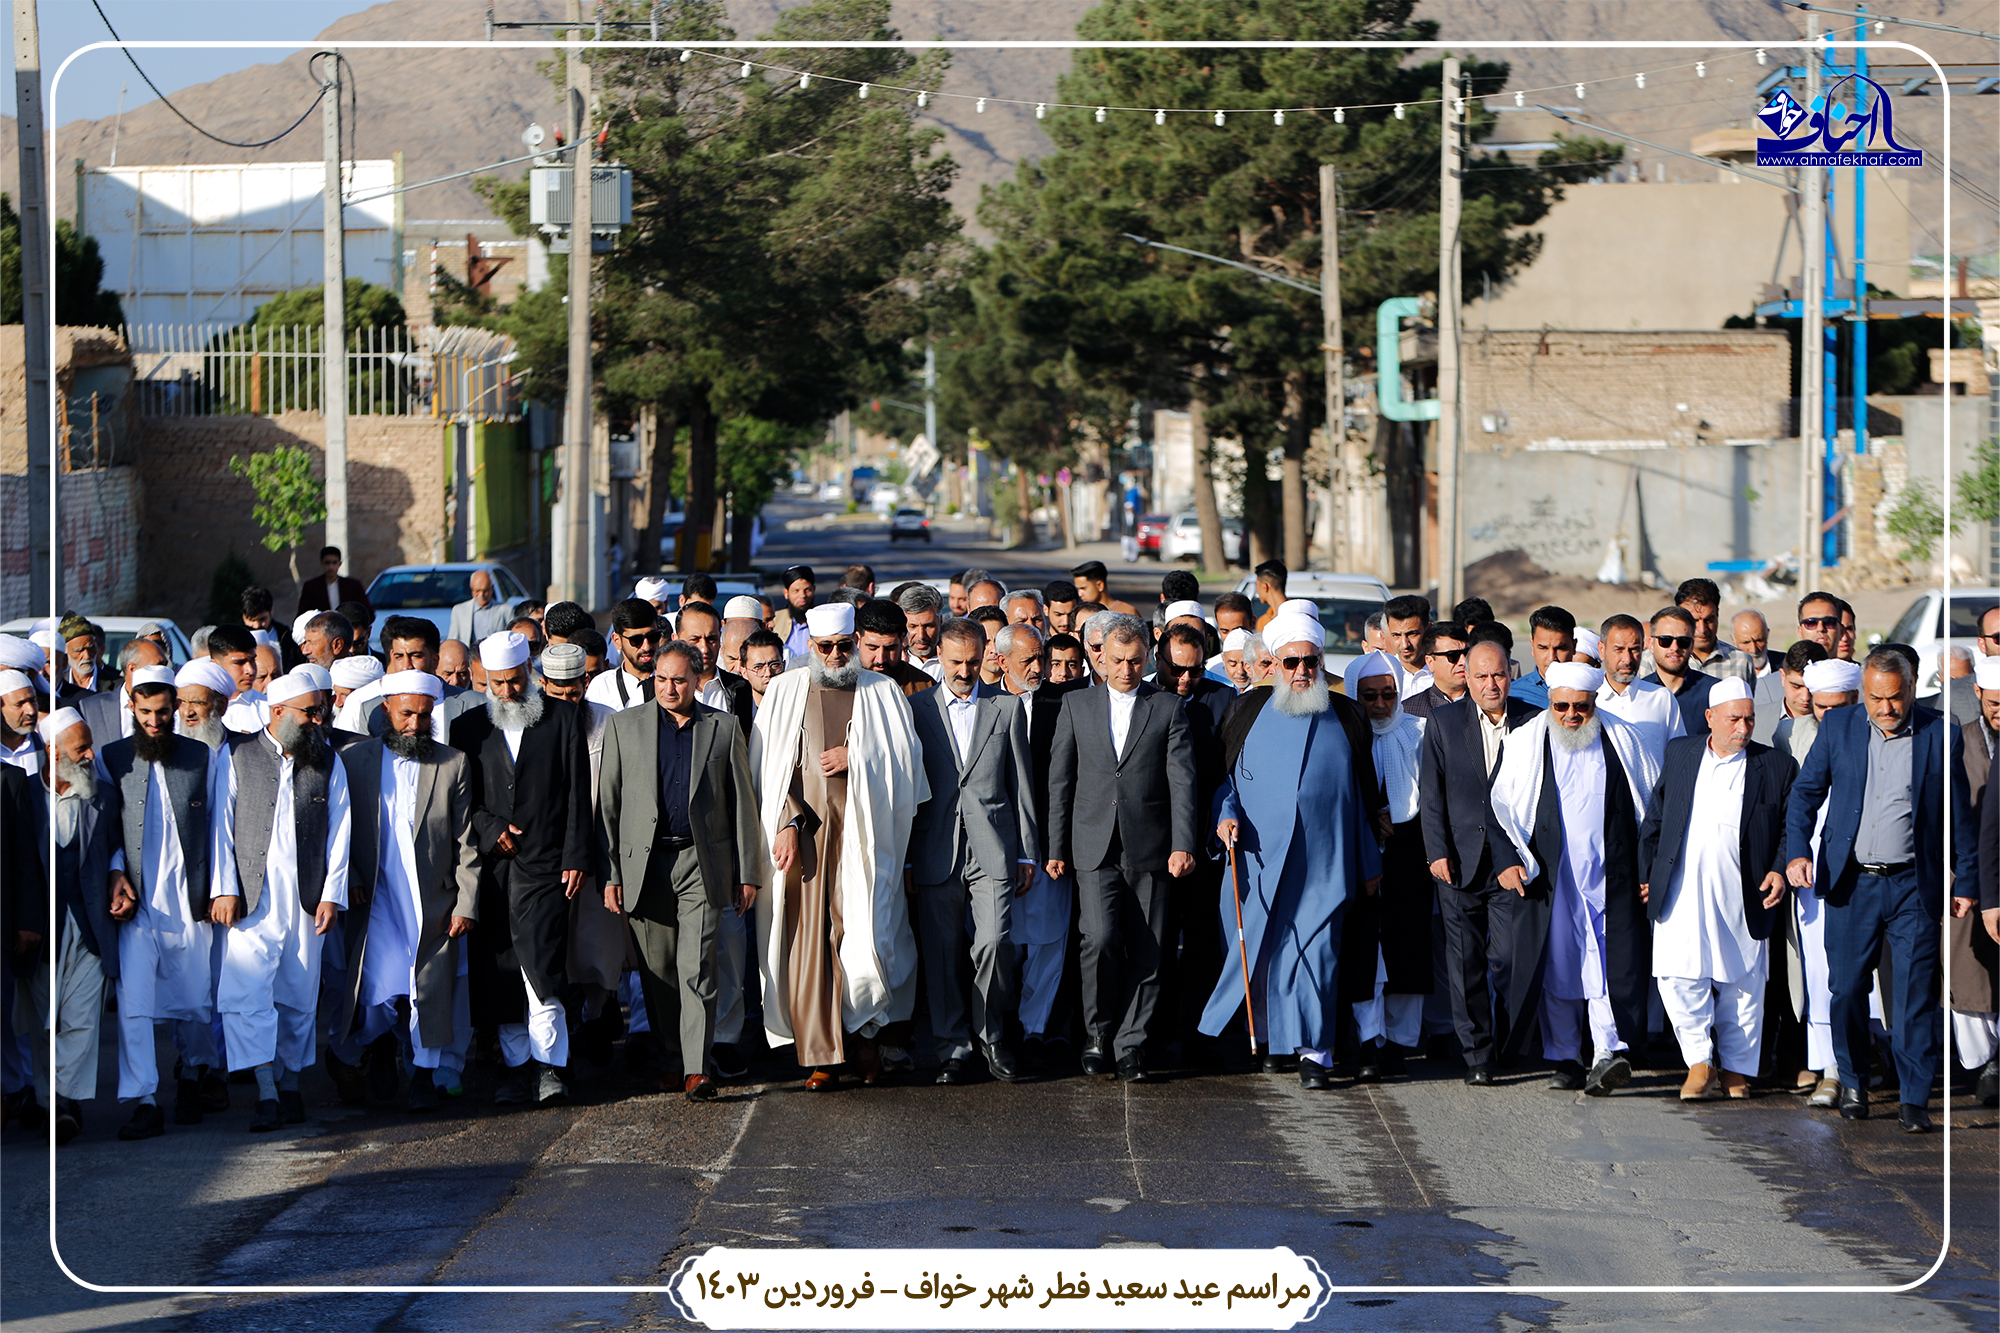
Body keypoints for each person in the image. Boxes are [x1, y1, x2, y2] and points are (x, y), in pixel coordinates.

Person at [1785, 649, 1975, 1133]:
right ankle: (1853, 1082)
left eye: (1895, 698)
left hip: (1914, 885)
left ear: (1911, 688)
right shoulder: (1839, 727)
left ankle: (1914, 1099)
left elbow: (1959, 815)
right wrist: (1798, 852)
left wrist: (1967, 880)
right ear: (1862, 693)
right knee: (1847, 988)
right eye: (1876, 699)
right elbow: (1805, 793)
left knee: (1914, 996)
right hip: (1852, 883)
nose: (1886, 708)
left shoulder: (1940, 733)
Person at [1197, 611, 1384, 1088]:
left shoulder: (1348, 715)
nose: (1302, 671)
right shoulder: (1245, 711)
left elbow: (1363, 798)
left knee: (1316, 955)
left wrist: (1368, 863)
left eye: (1311, 662)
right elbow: (1224, 783)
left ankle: (1314, 1053)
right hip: (1259, 862)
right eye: (1291, 662)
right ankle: (1275, 1042)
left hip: (1327, 866)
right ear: (1274, 663)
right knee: (1267, 955)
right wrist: (1225, 815)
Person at [750, 604, 926, 1088]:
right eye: (824, 647)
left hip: (864, 838)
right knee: (810, 939)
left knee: (864, 933)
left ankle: (865, 1035)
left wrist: (860, 755)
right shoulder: (784, 690)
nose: (834, 656)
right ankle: (823, 1052)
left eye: (843, 647)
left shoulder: (882, 691)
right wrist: (786, 823)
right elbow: (768, 771)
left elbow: (910, 767)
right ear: (810, 646)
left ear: (854, 644)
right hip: (804, 838)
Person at [1489, 663, 1660, 1096]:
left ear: (1595, 702)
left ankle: (1607, 1052)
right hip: (1552, 880)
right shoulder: (1525, 743)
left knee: (1609, 966)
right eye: (1561, 706)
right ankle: (1565, 1057)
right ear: (1550, 703)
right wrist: (1507, 860)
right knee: (1559, 966)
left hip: (1612, 879)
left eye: (1580, 707)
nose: (1570, 715)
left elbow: (1651, 811)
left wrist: (1649, 870)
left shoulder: (1624, 740)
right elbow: (1497, 808)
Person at [1046, 614, 1197, 1083]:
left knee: (1149, 949)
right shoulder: (1075, 705)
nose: (1126, 670)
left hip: (1151, 846)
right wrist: (1055, 846)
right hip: (1092, 846)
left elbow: (1182, 782)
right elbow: (1060, 782)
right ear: (1101, 659)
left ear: (1147, 658)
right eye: (1117, 660)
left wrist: (1183, 843)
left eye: (1134, 661)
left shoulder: (1167, 707)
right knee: (1099, 939)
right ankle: (1097, 1033)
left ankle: (1132, 1044)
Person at [450, 633, 592, 1107]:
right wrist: (490, 829)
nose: (508, 692)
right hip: (493, 870)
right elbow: (463, 799)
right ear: (485, 679)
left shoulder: (563, 718)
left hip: (547, 865)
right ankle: (516, 1068)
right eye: (498, 684)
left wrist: (576, 856)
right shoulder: (468, 728)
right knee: (502, 968)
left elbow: (578, 795)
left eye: (514, 681)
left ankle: (550, 1066)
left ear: (529, 672)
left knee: (542, 966)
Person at [1638, 678, 1795, 1101]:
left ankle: (1737, 1068)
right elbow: (1657, 817)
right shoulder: (1681, 752)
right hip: (1681, 891)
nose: (1744, 728)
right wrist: (1647, 872)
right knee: (1679, 976)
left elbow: (1788, 829)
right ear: (1710, 718)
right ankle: (1699, 1062)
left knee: (1743, 982)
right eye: (1734, 719)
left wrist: (1779, 870)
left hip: (1743, 895)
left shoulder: (1774, 765)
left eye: (1750, 719)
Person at [211, 672, 352, 1131]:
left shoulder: (327, 761)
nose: (318, 719)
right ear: (278, 713)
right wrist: (224, 888)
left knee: (298, 994)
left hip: (305, 901)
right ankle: (265, 1090)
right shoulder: (238, 755)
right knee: (248, 993)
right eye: (309, 712)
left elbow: (341, 831)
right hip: (251, 900)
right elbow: (221, 827)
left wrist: (332, 894)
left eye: (320, 710)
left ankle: (289, 1083)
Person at [907, 622, 1037, 1083]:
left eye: (972, 662)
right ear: (938, 657)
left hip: (994, 847)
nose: (964, 672)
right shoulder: (915, 709)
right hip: (935, 847)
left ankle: (992, 1036)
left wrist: (1027, 853)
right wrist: (908, 856)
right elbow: (907, 787)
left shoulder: (1006, 707)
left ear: (987, 656)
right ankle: (952, 1047)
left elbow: (1021, 783)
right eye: (955, 662)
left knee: (995, 942)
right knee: (942, 954)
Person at [1419, 639, 1542, 1083]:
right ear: (1467, 678)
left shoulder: (1534, 720)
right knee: (1464, 961)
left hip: (1514, 863)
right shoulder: (1444, 722)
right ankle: (1476, 1056)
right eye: (1481, 676)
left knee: (1508, 959)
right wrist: (1436, 852)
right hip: (1458, 861)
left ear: (1511, 675)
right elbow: (1431, 792)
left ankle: (1509, 1044)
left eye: (1499, 675)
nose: (1491, 684)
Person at [17, 710, 118, 1144]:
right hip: (38, 932)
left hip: (88, 927)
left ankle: (63, 1103)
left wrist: (118, 874)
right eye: (81, 748)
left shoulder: (102, 796)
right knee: (45, 1023)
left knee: (80, 1019)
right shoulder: (21, 795)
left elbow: (119, 847)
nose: (91, 755)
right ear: (52, 752)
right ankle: (49, 1101)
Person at [1344, 651, 1431, 1080]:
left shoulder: (1421, 732)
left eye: (1389, 694)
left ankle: (1398, 1043)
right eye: (1369, 696)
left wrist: (1397, 817)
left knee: (1406, 950)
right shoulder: (1344, 734)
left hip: (1409, 858)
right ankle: (1367, 1039)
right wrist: (1369, 818)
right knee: (1363, 952)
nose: (1380, 704)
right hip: (1358, 857)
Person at [1949, 656, 1998, 1105]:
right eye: (1994, 703)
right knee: (1968, 970)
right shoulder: (1958, 742)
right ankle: (1984, 1063)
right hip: (1968, 874)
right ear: (1978, 694)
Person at [341, 617, 481, 739]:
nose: (406, 666)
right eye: (399, 656)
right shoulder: (370, 711)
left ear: (435, 661)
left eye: (415, 656)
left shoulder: (475, 704)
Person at [1596, 614, 1685, 761]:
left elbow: (1679, 757)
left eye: (1634, 650)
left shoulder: (1661, 698)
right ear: (1601, 650)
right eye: (1619, 650)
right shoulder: (1589, 700)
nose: (1627, 659)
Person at [1643, 606, 1718, 742]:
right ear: (1651, 644)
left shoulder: (1715, 692)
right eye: (1665, 640)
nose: (1675, 648)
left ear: (1692, 645)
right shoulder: (1637, 693)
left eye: (1683, 641)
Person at [78, 636, 170, 744]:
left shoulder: (175, 706)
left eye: (165, 666)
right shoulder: (91, 709)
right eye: (158, 667)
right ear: (132, 669)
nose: (165, 672)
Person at [1674, 578, 1754, 683]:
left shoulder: (1740, 662)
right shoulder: (1660, 660)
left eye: (1709, 620)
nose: (1702, 629)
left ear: (1717, 615)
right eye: (1694, 621)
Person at [589, 599, 662, 712]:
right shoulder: (602, 687)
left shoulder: (675, 681)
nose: (646, 647)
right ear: (617, 641)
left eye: (653, 637)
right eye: (636, 640)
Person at [856, 599, 934, 699]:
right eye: (872, 648)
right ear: (858, 639)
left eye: (890, 649)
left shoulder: (926, 688)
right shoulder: (842, 688)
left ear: (902, 640)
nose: (880, 659)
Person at [1511, 606, 1577, 711]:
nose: (1551, 658)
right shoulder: (1513, 695)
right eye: (1543, 648)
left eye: (1560, 648)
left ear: (1574, 646)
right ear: (1532, 646)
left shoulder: (1594, 691)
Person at [1401, 622, 1468, 721]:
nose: (1463, 661)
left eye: (1467, 653)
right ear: (1430, 662)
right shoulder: (1409, 712)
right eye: (1453, 656)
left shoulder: (1485, 703)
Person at [173, 660, 235, 750]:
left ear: (222, 705)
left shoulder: (245, 748)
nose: (187, 713)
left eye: (196, 703)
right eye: (182, 702)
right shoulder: (171, 751)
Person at [1382, 595, 1432, 700]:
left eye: (1412, 634)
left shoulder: (1445, 672)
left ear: (1428, 631)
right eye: (1396, 635)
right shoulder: (1382, 674)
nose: (1405, 645)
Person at [447, 569, 514, 646]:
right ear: (471, 588)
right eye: (477, 591)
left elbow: (512, 638)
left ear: (492, 588)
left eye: (485, 591)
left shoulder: (506, 611)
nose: (481, 595)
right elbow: (453, 641)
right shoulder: (459, 611)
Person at [297, 546, 368, 617]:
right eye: (327, 563)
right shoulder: (311, 587)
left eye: (334, 563)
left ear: (340, 564)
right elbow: (302, 615)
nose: (331, 567)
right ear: (321, 563)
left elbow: (367, 612)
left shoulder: (353, 586)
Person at [895, 584, 946, 681]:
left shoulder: (956, 660)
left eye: (928, 626)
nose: (921, 636)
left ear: (940, 621)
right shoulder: (891, 661)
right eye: (913, 626)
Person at [736, 630, 787, 711]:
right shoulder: (736, 710)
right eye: (758, 667)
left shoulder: (797, 708)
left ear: (784, 665)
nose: (768, 673)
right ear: (744, 672)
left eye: (775, 665)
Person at [773, 565, 817, 658]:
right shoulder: (774, 621)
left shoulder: (824, 619)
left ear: (814, 590)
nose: (802, 595)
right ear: (786, 593)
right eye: (796, 591)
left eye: (807, 590)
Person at [1070, 560, 1135, 617]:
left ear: (1099, 585)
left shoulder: (1127, 612)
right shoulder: (1081, 615)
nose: (1080, 594)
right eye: (1078, 589)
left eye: (1083, 588)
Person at [1733, 610, 1781, 679]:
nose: (1754, 650)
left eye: (1759, 641)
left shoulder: (1788, 666)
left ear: (1767, 635)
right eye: (1746, 642)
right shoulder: (1724, 672)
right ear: (1733, 640)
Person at [1249, 560, 1288, 632]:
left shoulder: (1294, 617)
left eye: (1257, 585)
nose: (1257, 590)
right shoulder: (1264, 620)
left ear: (1265, 586)